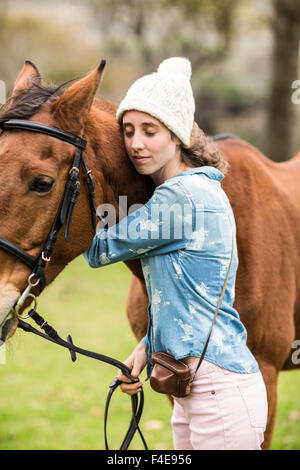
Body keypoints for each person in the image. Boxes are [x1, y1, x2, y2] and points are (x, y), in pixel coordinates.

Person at [83, 57, 268, 450]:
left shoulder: (182, 198)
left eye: (150, 131)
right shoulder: (195, 188)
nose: (135, 143)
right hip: (197, 387)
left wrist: (76, 185)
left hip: (218, 392)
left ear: (178, 135)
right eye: (128, 131)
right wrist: (146, 349)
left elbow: (99, 249)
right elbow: (190, 301)